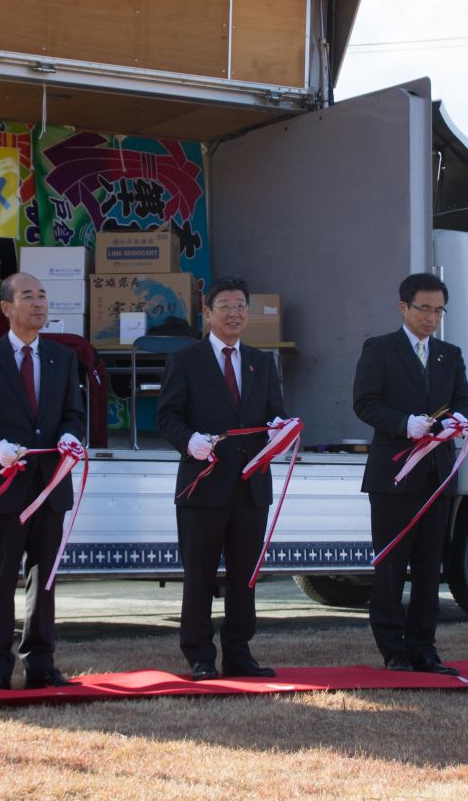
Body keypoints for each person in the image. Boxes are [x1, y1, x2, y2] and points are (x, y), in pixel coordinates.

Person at [0, 272, 86, 690]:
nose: (39, 303)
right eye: (28, 296)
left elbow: (75, 415)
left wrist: (69, 436)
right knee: (0, 580)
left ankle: (41, 663)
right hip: (4, 488)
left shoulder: (62, 359)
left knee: (43, 580)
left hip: (49, 488)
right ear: (7, 308)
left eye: (43, 296)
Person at [156, 276, 286, 680]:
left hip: (251, 487)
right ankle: (199, 655)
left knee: (245, 576)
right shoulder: (186, 360)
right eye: (226, 306)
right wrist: (189, 441)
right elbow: (167, 416)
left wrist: (281, 429)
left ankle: (239, 654)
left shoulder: (262, 362)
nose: (235, 313)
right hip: (203, 485)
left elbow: (272, 415)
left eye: (242, 306)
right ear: (207, 313)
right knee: (200, 574)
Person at [352, 273, 468, 675]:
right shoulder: (381, 349)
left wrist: (454, 423)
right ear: (403, 307)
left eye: (438, 310)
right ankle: (393, 650)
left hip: (437, 475)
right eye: (424, 309)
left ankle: (425, 649)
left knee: (428, 567)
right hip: (394, 475)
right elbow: (364, 403)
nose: (431, 317)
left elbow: (464, 403)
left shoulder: (449, 355)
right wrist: (404, 423)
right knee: (391, 566)